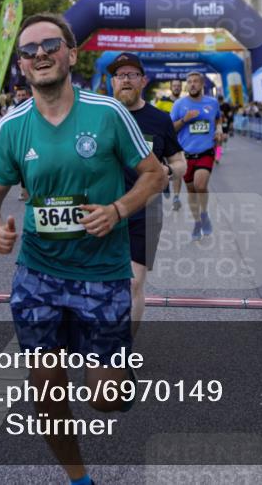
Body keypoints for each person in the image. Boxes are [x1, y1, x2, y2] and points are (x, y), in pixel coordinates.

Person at [0, 13, 165, 485]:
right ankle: (80, 480)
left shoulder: (107, 113)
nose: (39, 53)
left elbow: (155, 174)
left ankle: (114, 372)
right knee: (48, 395)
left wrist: (119, 210)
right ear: (21, 66)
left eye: (50, 45)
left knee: (107, 398)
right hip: (38, 274)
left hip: (102, 274)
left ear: (70, 54)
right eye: (29, 50)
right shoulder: (12, 126)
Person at [108, 52, 185, 334]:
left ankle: (123, 351)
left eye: (132, 75)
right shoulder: (99, 115)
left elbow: (180, 162)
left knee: (133, 283)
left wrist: (167, 172)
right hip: (102, 209)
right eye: (119, 75)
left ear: (143, 80)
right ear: (112, 82)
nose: (125, 80)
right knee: (101, 282)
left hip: (146, 211)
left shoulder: (159, 120)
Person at [171, 71, 223, 240]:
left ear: (202, 85)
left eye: (195, 81)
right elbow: (171, 129)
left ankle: (205, 213)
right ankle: (198, 222)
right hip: (186, 155)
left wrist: (220, 130)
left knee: (200, 185)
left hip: (206, 152)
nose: (192, 84)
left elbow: (218, 119)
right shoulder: (179, 105)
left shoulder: (212, 103)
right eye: (190, 81)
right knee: (192, 191)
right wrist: (184, 120)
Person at [166, 78, 185, 209]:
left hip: (179, 141)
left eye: (179, 86)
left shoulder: (185, 103)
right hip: (164, 139)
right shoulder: (162, 102)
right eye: (175, 86)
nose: (177, 88)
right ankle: (164, 183)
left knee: (177, 170)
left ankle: (176, 197)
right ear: (171, 87)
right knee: (162, 169)